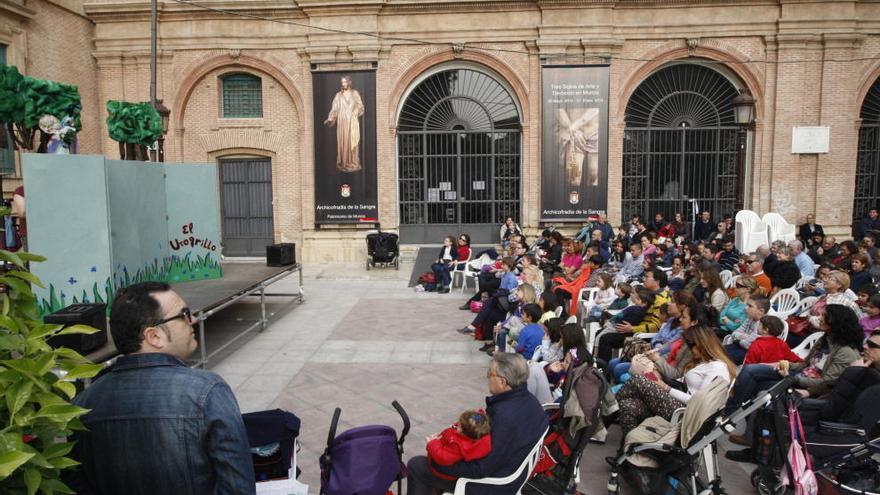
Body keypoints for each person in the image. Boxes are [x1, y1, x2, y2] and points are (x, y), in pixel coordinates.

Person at [67, 282, 255, 494]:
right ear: (154, 336)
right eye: (183, 314)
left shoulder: (82, 405)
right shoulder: (208, 392)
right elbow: (238, 488)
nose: (192, 319)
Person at [406, 354, 549, 494]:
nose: (487, 377)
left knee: (417, 466)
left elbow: (482, 468)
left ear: (503, 382)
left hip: (493, 485)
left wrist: (440, 462)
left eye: (489, 373)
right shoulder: (532, 402)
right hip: (512, 472)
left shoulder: (503, 416)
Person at [724, 304, 864, 416]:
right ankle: (731, 414)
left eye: (823, 316)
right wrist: (782, 364)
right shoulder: (825, 339)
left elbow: (827, 382)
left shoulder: (846, 351)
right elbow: (804, 364)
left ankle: (729, 415)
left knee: (753, 380)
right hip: (795, 377)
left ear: (835, 322)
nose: (819, 318)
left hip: (805, 387)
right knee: (751, 371)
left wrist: (791, 379)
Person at [615, 325, 736, 434]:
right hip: (675, 399)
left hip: (685, 412)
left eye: (690, 346)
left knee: (638, 380)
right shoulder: (703, 362)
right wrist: (654, 376)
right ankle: (629, 453)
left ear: (701, 344)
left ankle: (609, 410)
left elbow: (697, 402)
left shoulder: (717, 367)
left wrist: (665, 387)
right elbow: (679, 382)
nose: (689, 349)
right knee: (628, 405)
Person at [426, 410, 492, 480]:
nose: (457, 424)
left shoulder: (458, 445)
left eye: (459, 425)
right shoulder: (475, 434)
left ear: (463, 431)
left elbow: (442, 458)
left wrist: (432, 443)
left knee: (417, 466)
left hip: (441, 474)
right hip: (443, 447)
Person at [323, 75, 364, 172]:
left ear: (350, 82)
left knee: (352, 142)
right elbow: (334, 109)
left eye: (345, 82)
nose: (343, 84)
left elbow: (360, 106)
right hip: (342, 123)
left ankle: (353, 162)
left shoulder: (355, 94)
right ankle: (344, 163)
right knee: (343, 142)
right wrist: (330, 118)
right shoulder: (338, 95)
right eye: (342, 82)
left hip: (352, 123)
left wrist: (356, 111)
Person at [723, 295, 771, 365]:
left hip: (750, 354)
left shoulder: (763, 325)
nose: (745, 308)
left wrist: (740, 338)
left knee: (723, 359)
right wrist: (744, 337)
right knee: (718, 352)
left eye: (750, 306)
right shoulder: (750, 318)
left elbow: (748, 345)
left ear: (761, 311)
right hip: (740, 346)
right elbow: (734, 333)